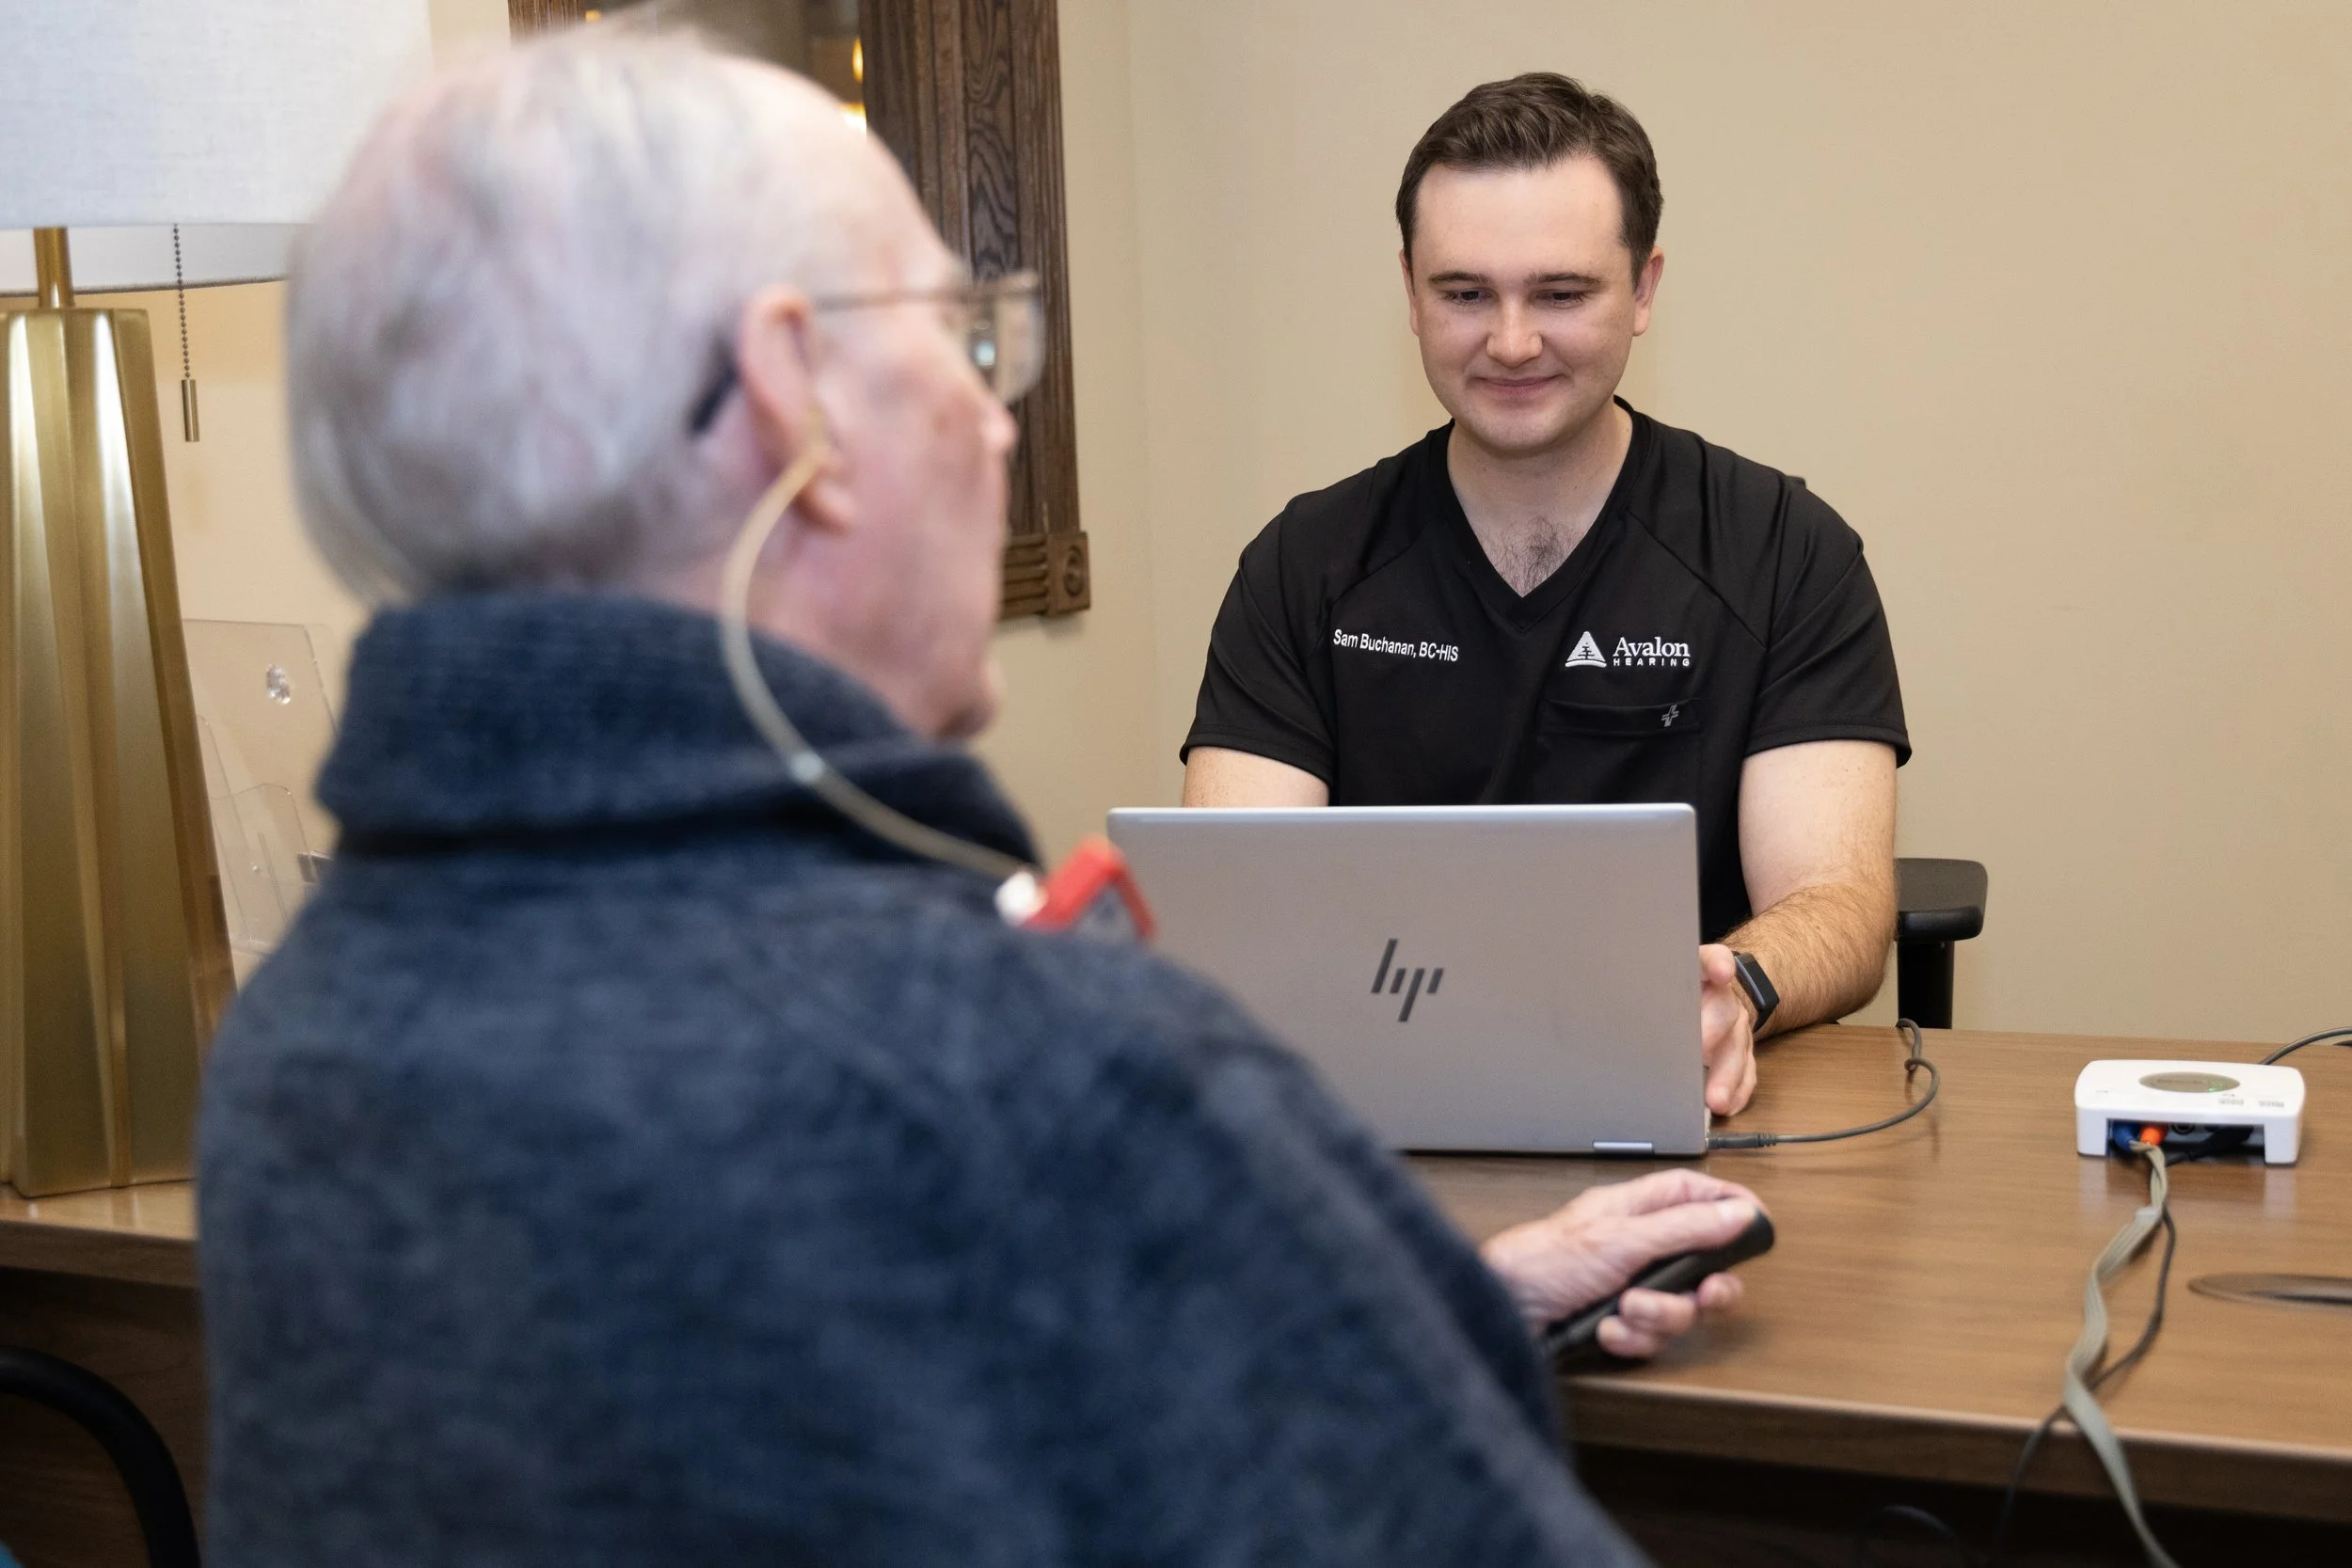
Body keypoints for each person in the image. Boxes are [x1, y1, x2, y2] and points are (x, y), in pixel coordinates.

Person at [198, 32, 1765, 1566]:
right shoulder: (1032, 1073)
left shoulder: (306, 1032)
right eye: (962, 343)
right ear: (789, 407)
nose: (999, 418)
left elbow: (889, 1401)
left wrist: (1405, 1300)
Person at [1183, 74, 1909, 1118]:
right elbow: (1237, 907)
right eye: (1464, 292)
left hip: (1690, 1102)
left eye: (1560, 294)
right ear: (1408, 289)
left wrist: (1731, 990)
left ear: (1644, 288)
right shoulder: (1305, 564)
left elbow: (1833, 900)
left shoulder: (1784, 550)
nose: (1512, 342)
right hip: (1378, 1111)